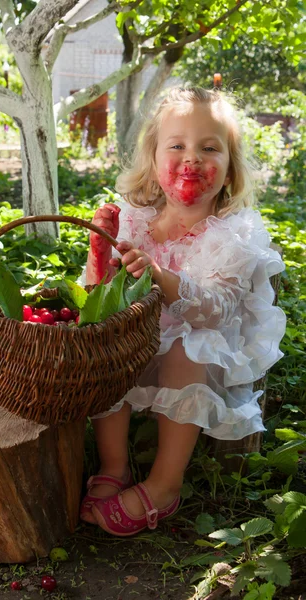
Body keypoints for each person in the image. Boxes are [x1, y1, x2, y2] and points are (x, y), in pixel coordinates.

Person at [79, 86, 286, 537]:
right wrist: (101, 251)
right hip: (139, 338)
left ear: (230, 171)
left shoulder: (234, 234)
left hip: (202, 345)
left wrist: (158, 274)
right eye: (177, 146)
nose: (191, 158)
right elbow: (96, 302)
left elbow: (215, 311)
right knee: (107, 340)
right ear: (153, 161)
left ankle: (164, 485)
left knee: (186, 352)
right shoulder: (134, 220)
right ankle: (114, 465)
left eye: (209, 148)